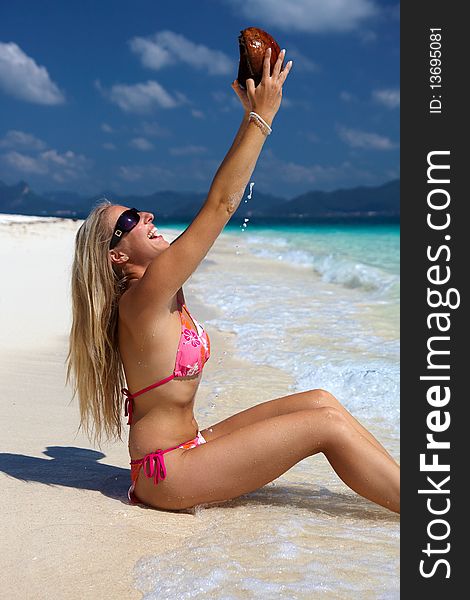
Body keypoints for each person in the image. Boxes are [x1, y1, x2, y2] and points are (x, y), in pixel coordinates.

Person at [67, 48, 400, 514]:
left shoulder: (159, 293)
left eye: (139, 209)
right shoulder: (145, 296)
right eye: (128, 221)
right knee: (325, 427)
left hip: (192, 446)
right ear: (116, 256)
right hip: (167, 473)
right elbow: (222, 205)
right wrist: (261, 117)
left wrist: (249, 115)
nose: (146, 215)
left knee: (321, 401)